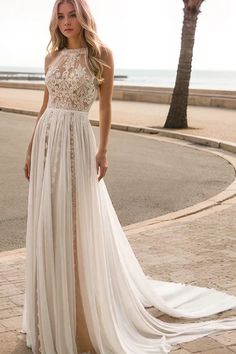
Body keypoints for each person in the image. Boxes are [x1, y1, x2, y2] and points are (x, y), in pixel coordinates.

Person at [21, 0, 236, 353]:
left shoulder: (101, 53)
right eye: (60, 16)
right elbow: (44, 107)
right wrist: (31, 148)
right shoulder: (51, 58)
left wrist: (103, 150)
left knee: (75, 222)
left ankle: (79, 316)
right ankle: (49, 309)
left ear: (84, 16)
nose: (65, 22)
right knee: (49, 223)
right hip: (47, 140)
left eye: (71, 14)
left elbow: (105, 106)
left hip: (76, 138)